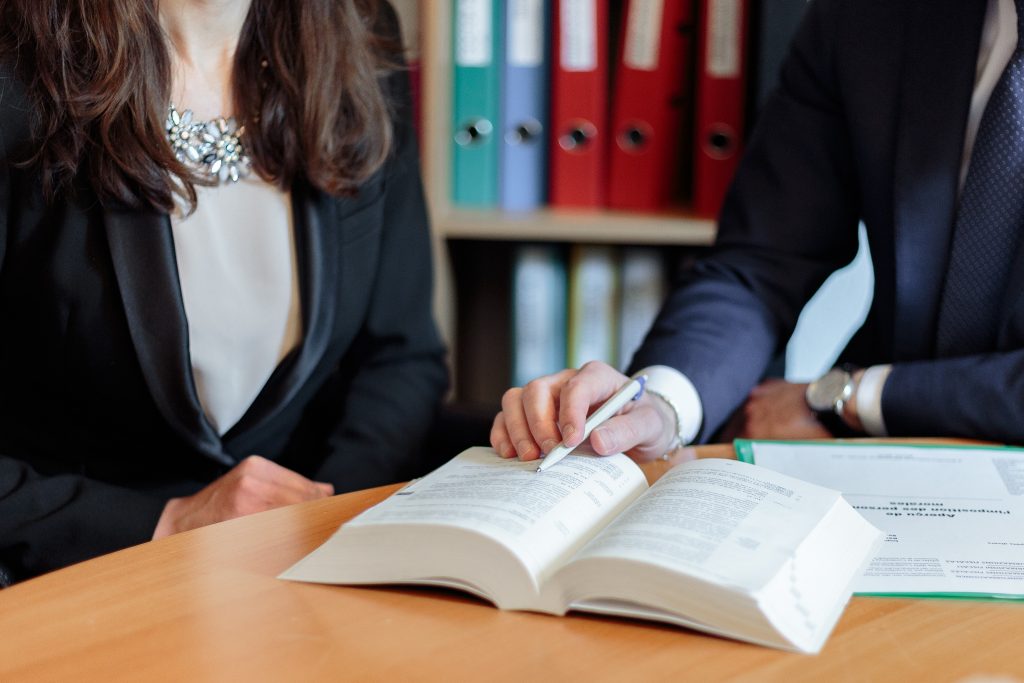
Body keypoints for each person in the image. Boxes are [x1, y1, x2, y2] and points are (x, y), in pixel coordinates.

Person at [0, 0, 447, 584]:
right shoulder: (18, 66)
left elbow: (399, 354)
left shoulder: (359, 31)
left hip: (304, 579)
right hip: (78, 584)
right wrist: (165, 523)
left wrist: (331, 520)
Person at [492, 0, 1024, 464]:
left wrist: (858, 396)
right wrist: (658, 406)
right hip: (871, 468)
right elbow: (761, 262)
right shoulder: (870, 15)